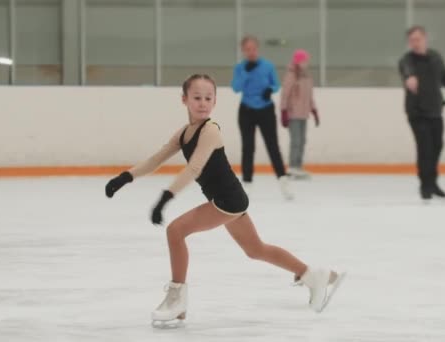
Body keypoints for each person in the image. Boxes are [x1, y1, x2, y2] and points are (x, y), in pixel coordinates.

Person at [104, 74, 345, 326]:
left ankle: (177, 300)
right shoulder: (185, 133)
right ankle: (312, 274)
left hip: (226, 201)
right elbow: (156, 159)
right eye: (197, 98)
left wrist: (165, 198)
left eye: (208, 98)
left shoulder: (210, 130)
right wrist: (124, 178)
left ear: (215, 102)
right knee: (256, 250)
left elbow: (194, 168)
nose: (203, 103)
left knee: (175, 231)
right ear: (184, 99)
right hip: (230, 199)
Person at [398, 26, 445, 201]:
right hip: (417, 112)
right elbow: (406, 69)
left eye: (418, 39)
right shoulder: (407, 59)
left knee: (437, 146)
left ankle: (433, 183)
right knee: (424, 148)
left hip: (435, 110)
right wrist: (409, 77)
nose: (415, 43)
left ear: (425, 39)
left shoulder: (436, 57)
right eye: (412, 40)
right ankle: (425, 185)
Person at [231, 35, 292, 199]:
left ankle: (283, 181)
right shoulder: (240, 68)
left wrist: (270, 89)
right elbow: (235, 88)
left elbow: (276, 84)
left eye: (254, 49)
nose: (251, 52)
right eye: (247, 49)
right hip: (247, 110)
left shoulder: (268, 66)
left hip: (265, 110)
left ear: (258, 49)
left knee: (273, 146)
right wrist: (245, 73)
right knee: (248, 147)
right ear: (243, 51)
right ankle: (247, 183)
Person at [280, 49, 319, 180]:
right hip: (293, 114)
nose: (306, 63)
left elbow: (309, 96)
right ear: (298, 61)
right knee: (296, 141)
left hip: (303, 114)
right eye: (304, 60)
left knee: (302, 141)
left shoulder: (306, 76)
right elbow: (285, 94)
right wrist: (283, 111)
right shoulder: (291, 75)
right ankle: (292, 167)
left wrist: (314, 110)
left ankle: (298, 166)